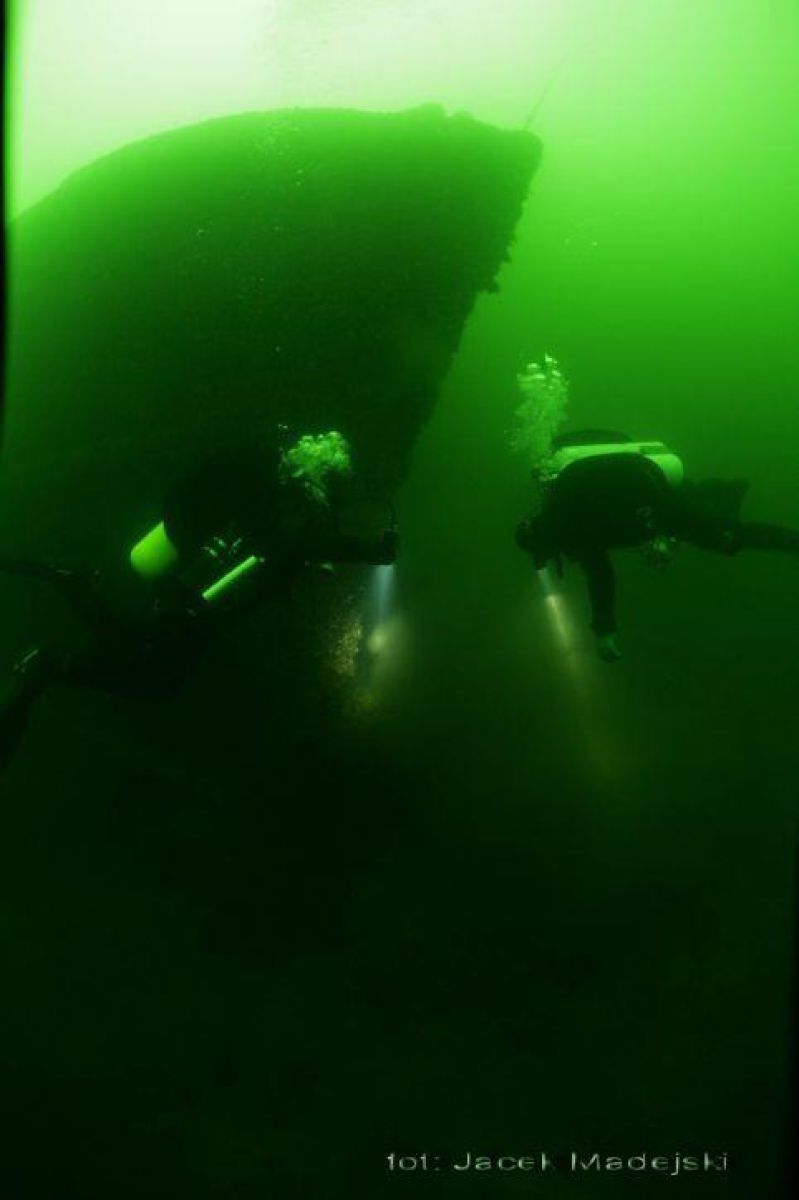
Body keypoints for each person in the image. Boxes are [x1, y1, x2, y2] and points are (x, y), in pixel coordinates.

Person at [0, 428, 398, 763]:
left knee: (144, 665)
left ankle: (68, 605)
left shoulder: (275, 488)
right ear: (331, 478)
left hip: (194, 587)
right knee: (152, 676)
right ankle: (51, 650)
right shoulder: (299, 503)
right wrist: (372, 552)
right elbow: (300, 542)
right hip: (198, 600)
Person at [515, 429, 799, 661]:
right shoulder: (560, 502)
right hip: (645, 481)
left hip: (651, 497)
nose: (551, 557)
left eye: (545, 553)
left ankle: (785, 537)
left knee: (726, 538)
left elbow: (601, 576)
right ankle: (726, 490)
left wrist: (604, 631)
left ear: (546, 541)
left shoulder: (568, 526)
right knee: (694, 506)